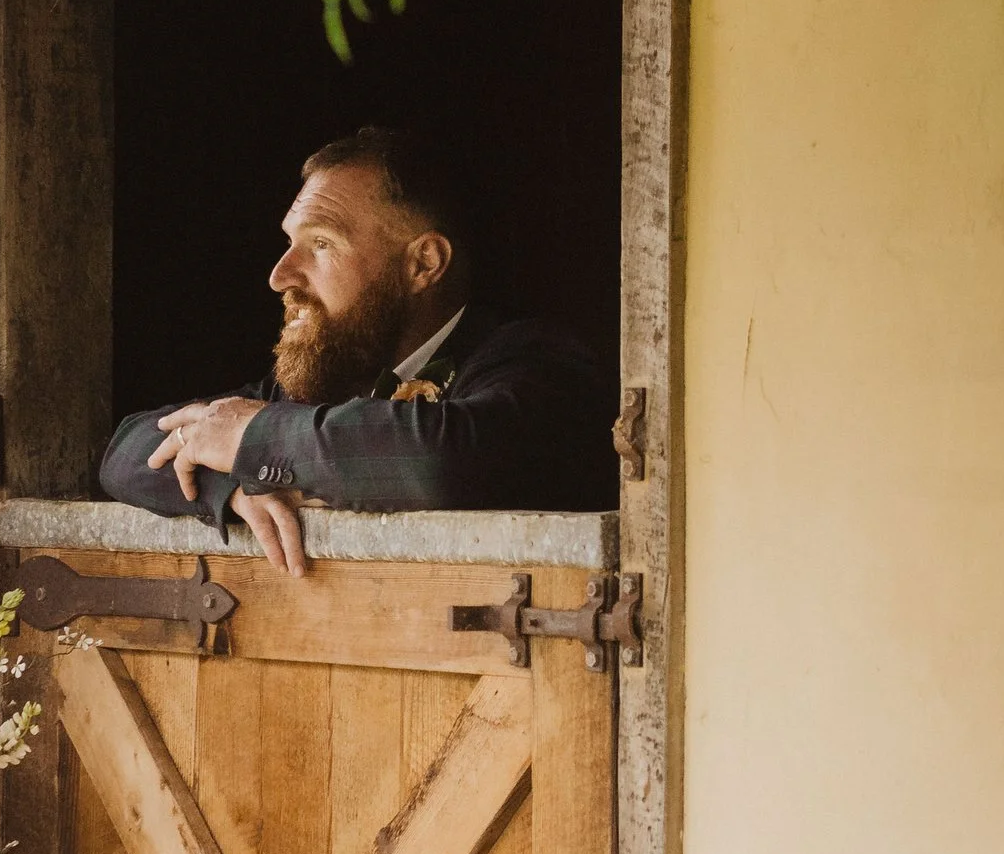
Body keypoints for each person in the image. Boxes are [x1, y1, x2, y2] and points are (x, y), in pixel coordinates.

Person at [98, 126, 617, 572]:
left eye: (321, 244)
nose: (280, 277)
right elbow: (124, 452)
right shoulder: (330, 371)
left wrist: (253, 441)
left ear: (424, 264)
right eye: (289, 243)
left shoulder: (539, 361)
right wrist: (227, 485)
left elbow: (450, 461)